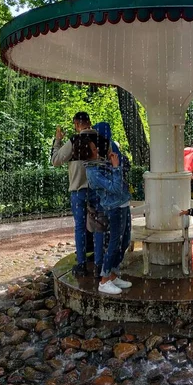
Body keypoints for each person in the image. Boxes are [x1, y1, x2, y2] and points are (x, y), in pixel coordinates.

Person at [75, 135, 133, 295]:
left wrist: (117, 163)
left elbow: (123, 173)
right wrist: (115, 167)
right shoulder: (93, 172)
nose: (97, 150)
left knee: (125, 241)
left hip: (123, 204)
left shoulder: (100, 163)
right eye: (94, 149)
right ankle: (104, 280)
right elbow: (114, 187)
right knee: (114, 243)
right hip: (114, 208)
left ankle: (113, 274)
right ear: (87, 153)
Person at [51, 111, 106, 277]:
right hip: (98, 190)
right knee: (98, 227)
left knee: (80, 227)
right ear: (89, 122)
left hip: (78, 191)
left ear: (76, 124)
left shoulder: (74, 141)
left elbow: (55, 161)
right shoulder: (103, 141)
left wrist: (58, 140)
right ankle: (99, 265)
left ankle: (81, 265)